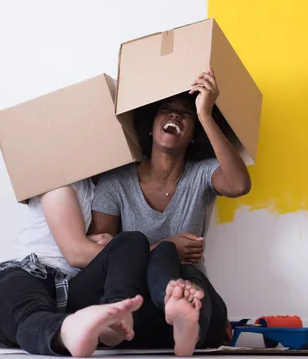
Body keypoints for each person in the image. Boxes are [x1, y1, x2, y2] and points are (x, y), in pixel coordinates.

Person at [89, 68, 251, 356]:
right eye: (166, 110)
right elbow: (100, 257)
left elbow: (238, 184)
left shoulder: (200, 174)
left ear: (192, 136)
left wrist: (205, 114)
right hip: (134, 300)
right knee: (162, 253)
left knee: (192, 281)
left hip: (191, 288)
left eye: (185, 114)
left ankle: (188, 324)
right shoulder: (116, 184)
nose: (175, 116)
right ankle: (182, 319)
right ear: (150, 127)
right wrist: (166, 246)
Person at [0, 180, 150, 357]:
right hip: (28, 269)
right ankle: (65, 330)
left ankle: (114, 317)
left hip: (69, 288)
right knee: (29, 309)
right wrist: (104, 249)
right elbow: (75, 252)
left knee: (133, 240)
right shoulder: (56, 177)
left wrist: (111, 246)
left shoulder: (105, 189)